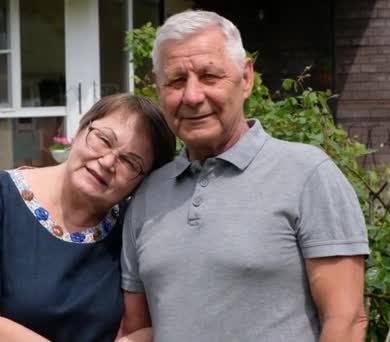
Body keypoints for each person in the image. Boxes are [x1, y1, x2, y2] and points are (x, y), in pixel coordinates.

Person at [120, 10, 370, 342]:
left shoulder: (307, 175)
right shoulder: (148, 194)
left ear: (246, 78)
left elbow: (347, 321)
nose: (193, 96)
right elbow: (137, 330)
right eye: (177, 81)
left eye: (210, 76)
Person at [0, 93, 176, 342]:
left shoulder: (131, 229)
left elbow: (147, 328)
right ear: (80, 131)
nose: (108, 161)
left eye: (131, 162)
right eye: (103, 139)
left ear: (143, 182)